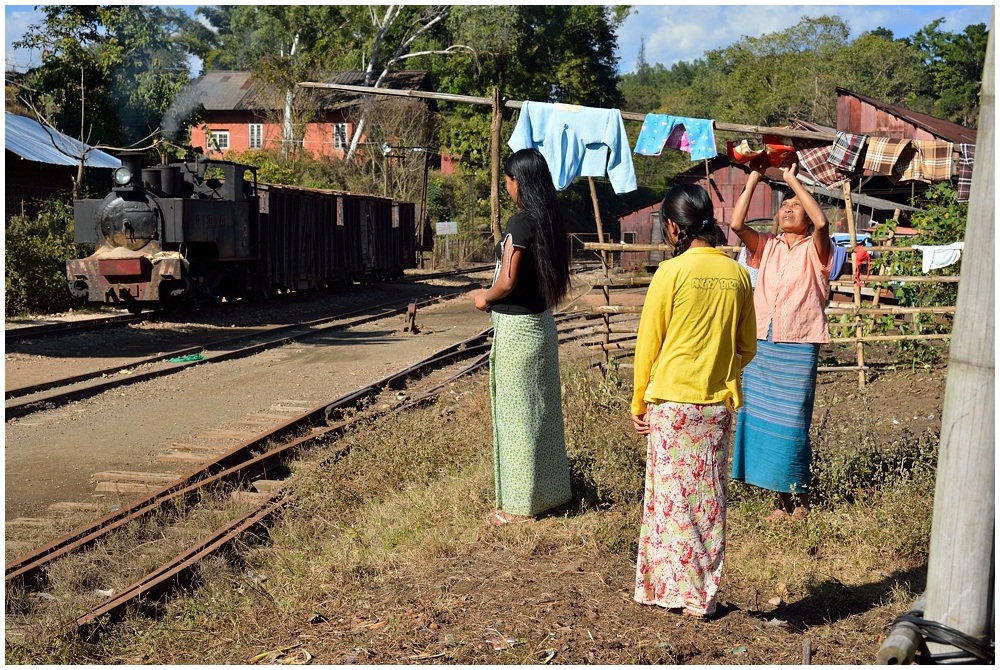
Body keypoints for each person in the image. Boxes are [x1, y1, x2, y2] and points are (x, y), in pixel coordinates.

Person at [630, 184, 757, 619]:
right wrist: (719, 369)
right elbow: (747, 346)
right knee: (707, 502)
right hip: (717, 407)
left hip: (671, 405)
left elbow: (649, 344)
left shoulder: (671, 274)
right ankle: (702, 596)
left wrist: (638, 401)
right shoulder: (737, 274)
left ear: (672, 226)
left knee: (668, 502)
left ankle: (667, 589)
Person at [473, 148, 573, 526]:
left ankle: (517, 506)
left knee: (516, 418)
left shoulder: (518, 225)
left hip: (516, 331)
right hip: (542, 326)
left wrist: (484, 297)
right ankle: (549, 495)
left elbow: (507, 280)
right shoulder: (550, 222)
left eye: (509, 181)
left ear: (519, 183)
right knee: (543, 415)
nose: (508, 187)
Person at [729, 160, 833, 521]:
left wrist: (791, 178)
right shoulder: (767, 245)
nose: (788, 209)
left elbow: (822, 223)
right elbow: (736, 224)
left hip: (799, 342)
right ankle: (778, 501)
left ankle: (799, 499)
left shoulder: (816, 249)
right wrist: (756, 175)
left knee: (791, 422)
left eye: (796, 206)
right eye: (784, 205)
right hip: (762, 343)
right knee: (762, 420)